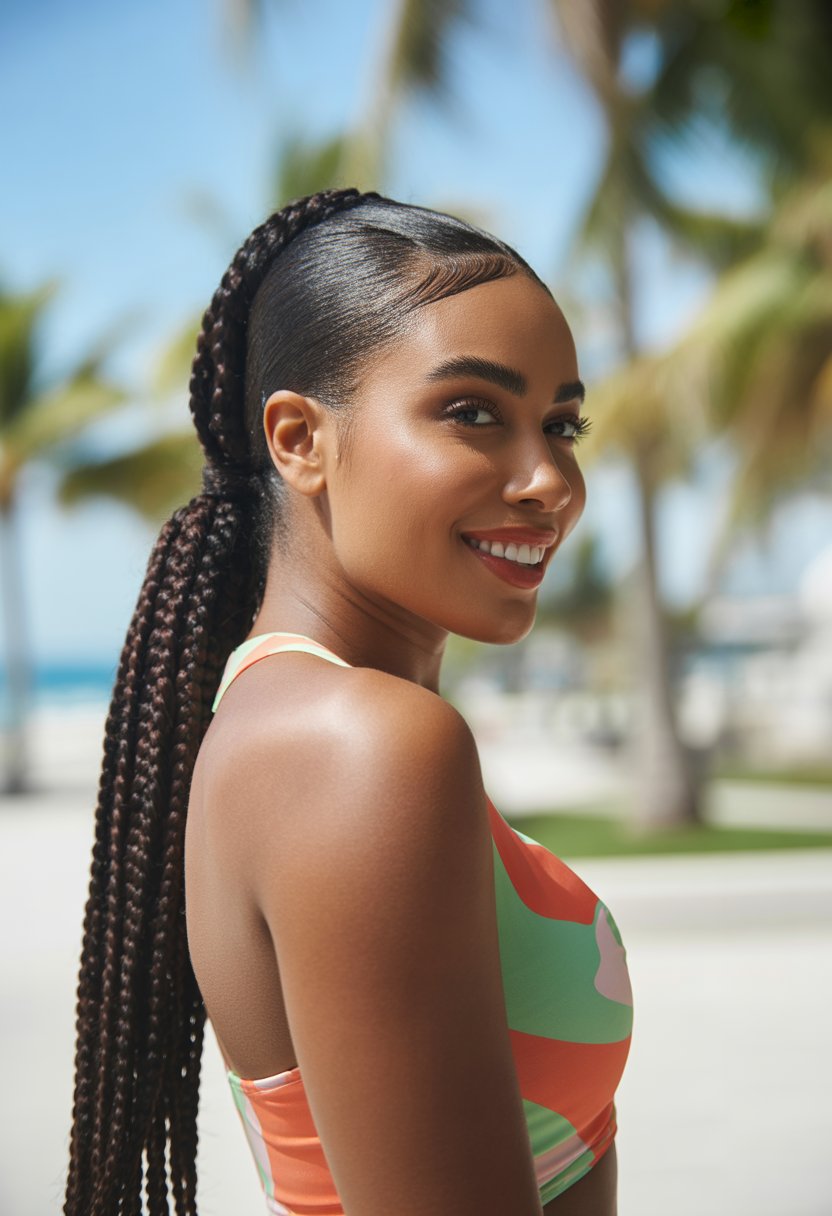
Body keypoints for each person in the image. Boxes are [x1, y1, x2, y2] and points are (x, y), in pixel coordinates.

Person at [64, 188, 633, 1216]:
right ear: (299, 440)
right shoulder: (361, 747)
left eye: (561, 424)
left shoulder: (307, 724)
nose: (548, 479)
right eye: (473, 412)